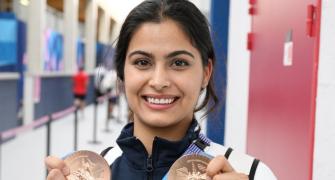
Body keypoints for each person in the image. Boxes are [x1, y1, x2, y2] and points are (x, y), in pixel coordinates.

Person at [45, 0, 277, 179]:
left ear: (206, 72)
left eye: (179, 63)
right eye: (142, 62)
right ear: (122, 71)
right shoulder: (77, 172)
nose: (159, 81)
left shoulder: (251, 173)